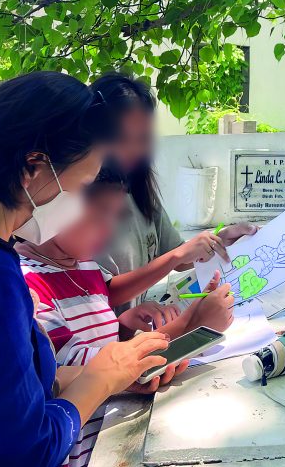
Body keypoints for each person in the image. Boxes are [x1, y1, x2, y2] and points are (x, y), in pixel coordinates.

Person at [0, 72, 175, 466]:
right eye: (81, 187)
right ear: (33, 167)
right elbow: (26, 449)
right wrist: (101, 378)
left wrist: (118, 371)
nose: (78, 206)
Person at [18, 165, 234, 467]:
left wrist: (121, 326)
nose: (108, 230)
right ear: (56, 205)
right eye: (98, 214)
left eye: (116, 215)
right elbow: (88, 366)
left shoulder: (83, 265)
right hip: (82, 450)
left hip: (111, 430)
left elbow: (106, 297)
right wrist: (192, 322)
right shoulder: (28, 287)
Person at [90, 73, 255, 311]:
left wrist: (218, 241)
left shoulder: (139, 191)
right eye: (122, 137)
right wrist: (177, 256)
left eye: (143, 138)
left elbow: (175, 255)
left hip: (132, 335)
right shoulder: (79, 203)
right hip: (97, 343)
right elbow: (101, 292)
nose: (134, 149)